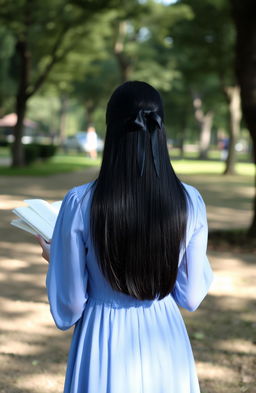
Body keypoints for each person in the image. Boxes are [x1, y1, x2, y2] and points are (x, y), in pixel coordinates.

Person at [37, 81, 213, 393]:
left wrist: (56, 259)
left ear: (112, 132)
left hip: (102, 335)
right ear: (160, 129)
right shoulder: (190, 201)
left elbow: (71, 305)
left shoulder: (80, 201)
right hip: (165, 335)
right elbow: (191, 295)